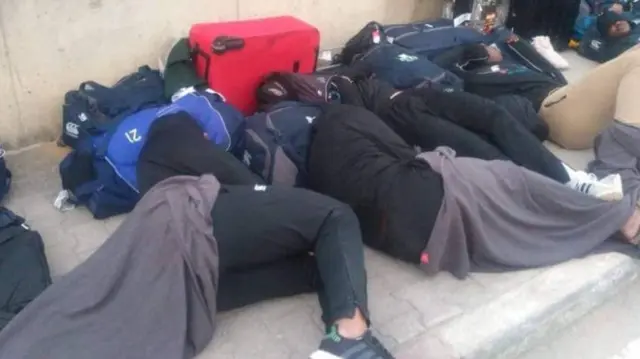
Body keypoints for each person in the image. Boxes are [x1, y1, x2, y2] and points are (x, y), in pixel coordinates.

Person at [138, 113, 395, 359]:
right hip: (201, 229)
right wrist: (284, 209)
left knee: (324, 266)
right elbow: (239, 177)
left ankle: (339, 346)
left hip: (194, 288)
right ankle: (351, 335)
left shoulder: (148, 175)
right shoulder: (174, 137)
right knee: (336, 216)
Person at [307, 104, 640, 278]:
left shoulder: (313, 164)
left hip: (415, 243)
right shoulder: (349, 117)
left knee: (510, 222)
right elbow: (406, 156)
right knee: (516, 183)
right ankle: (617, 216)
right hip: (427, 197)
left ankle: (605, 222)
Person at [329, 74, 623, 199]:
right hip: (398, 114)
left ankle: (571, 177)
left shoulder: (374, 64)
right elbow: (357, 113)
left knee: (494, 116)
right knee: (484, 151)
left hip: (422, 95)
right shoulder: (338, 84)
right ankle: (560, 190)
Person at [433, 32, 640, 150]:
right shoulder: (481, 77)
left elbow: (537, 60)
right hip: (558, 111)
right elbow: (444, 67)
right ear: (482, 55)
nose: (495, 48)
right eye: (489, 48)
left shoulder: (510, 65)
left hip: (567, 99)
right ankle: (620, 158)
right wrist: (464, 53)